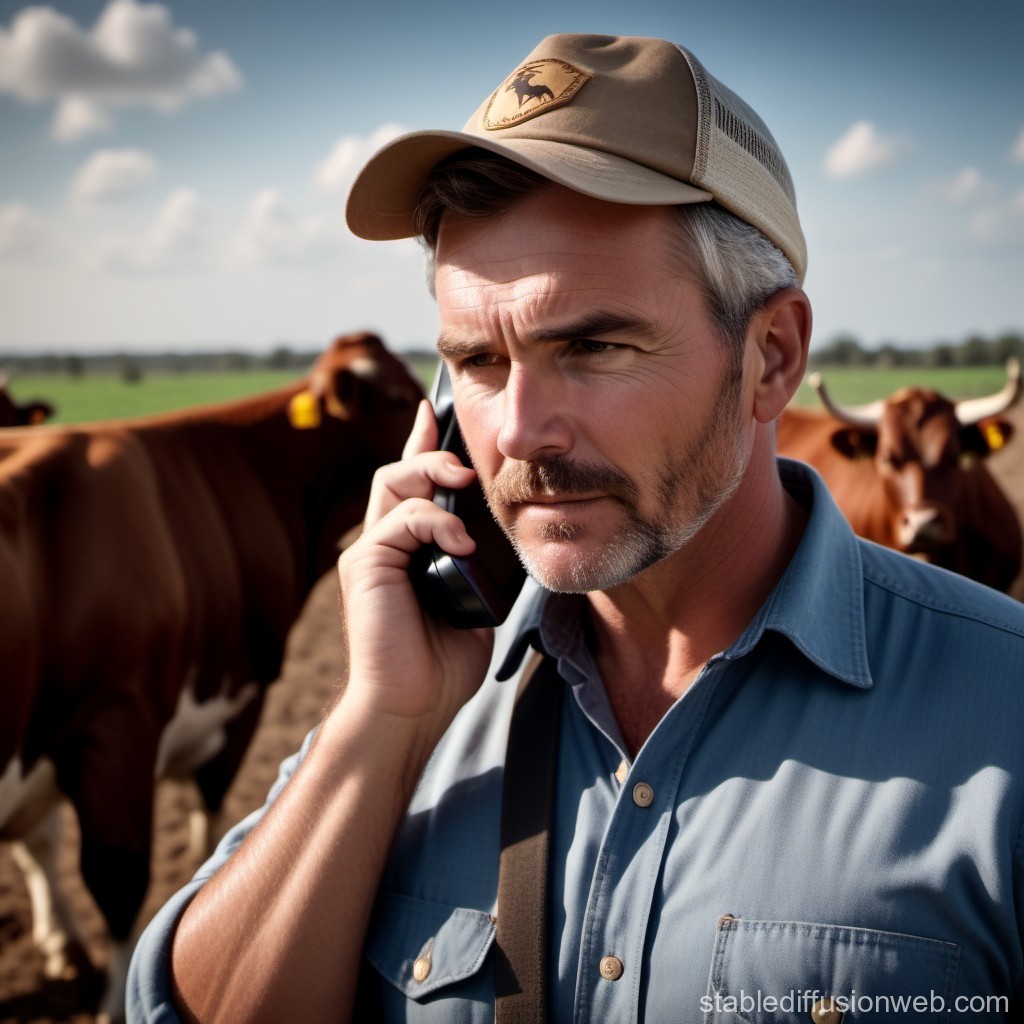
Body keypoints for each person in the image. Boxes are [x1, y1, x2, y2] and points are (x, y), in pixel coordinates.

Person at [128, 34, 1024, 1022]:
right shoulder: (409, 711)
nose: (518, 432)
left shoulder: (1006, 716)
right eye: (477, 361)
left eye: (593, 346)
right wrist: (381, 722)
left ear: (770, 357)